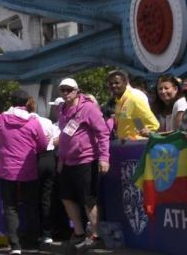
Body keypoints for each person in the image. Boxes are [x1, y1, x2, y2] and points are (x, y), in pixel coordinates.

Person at [56, 77, 109, 251]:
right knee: (66, 197)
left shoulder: (88, 108)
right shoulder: (62, 109)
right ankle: (78, 232)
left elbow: (103, 132)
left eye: (68, 89)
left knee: (88, 200)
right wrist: (62, 159)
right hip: (68, 161)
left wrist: (104, 158)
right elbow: (64, 137)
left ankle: (95, 235)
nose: (65, 93)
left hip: (86, 159)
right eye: (62, 90)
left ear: (77, 90)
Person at [0, 90, 48, 254]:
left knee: (10, 207)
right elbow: (43, 145)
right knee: (31, 205)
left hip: (6, 169)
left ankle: (15, 245)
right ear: (26, 103)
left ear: (11, 101)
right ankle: (32, 242)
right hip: (28, 168)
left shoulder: (0, 119)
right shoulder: (33, 121)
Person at [28, 96, 64, 245]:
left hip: (36, 158)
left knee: (33, 198)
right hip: (50, 160)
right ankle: (47, 233)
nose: (55, 109)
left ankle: (37, 233)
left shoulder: (26, 121)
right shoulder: (49, 122)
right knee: (47, 198)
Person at [107, 70, 158, 142]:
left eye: (117, 83)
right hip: (125, 146)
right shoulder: (119, 101)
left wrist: (135, 137)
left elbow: (153, 125)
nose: (113, 85)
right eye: (111, 83)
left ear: (125, 83)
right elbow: (136, 118)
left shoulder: (134, 97)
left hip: (136, 146)